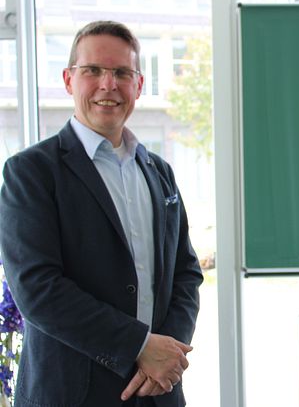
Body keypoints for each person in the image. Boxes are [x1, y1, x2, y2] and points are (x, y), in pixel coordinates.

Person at [0, 21, 203, 406]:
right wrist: (139, 346)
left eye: (122, 73)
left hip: (157, 391)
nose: (108, 85)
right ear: (68, 80)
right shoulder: (30, 172)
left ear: (138, 86)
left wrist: (166, 356)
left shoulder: (159, 171)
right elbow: (37, 287)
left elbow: (186, 273)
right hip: (70, 392)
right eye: (92, 70)